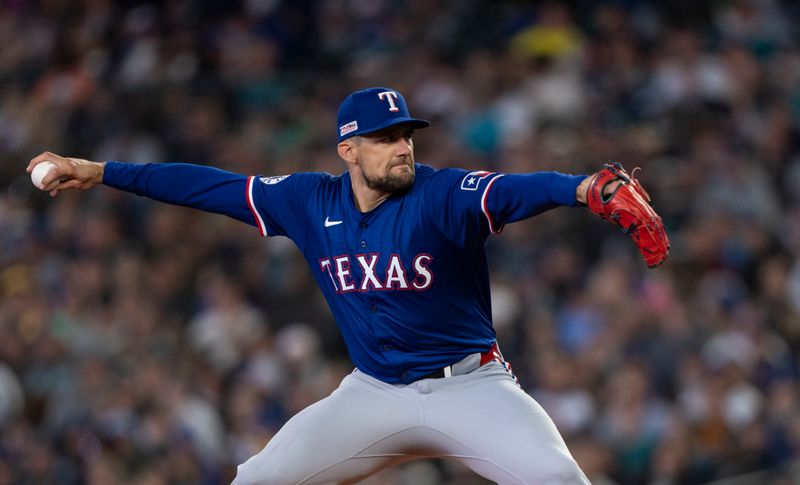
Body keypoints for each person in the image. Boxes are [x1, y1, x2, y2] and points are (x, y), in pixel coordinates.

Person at [28, 87, 662, 484]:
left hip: (472, 387)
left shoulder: (441, 193)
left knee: (558, 479)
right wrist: (101, 171)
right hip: (373, 394)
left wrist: (585, 189)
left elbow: (517, 190)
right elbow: (207, 186)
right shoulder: (310, 201)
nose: (402, 149)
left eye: (407, 136)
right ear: (348, 150)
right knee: (256, 480)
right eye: (385, 139)